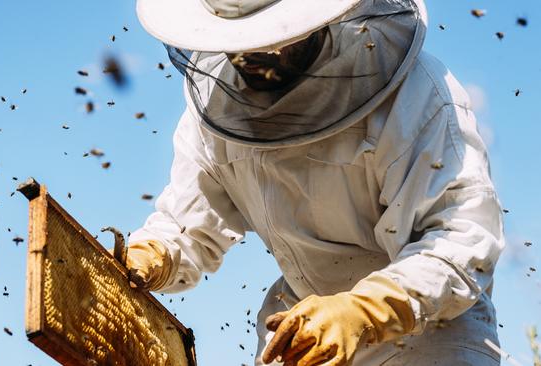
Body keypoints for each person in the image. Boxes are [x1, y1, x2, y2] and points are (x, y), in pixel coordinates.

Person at [127, 0, 505, 364]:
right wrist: (153, 255)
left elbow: (460, 236)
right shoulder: (215, 109)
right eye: (240, 42)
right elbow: (189, 225)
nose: (255, 55)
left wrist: (365, 309)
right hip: (300, 330)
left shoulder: (416, 93)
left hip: (427, 339)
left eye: (270, 39)